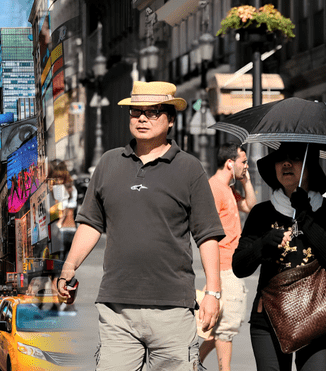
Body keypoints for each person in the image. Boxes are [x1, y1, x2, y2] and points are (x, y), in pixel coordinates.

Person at [56, 81, 225, 370]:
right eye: (136, 111)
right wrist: (68, 268)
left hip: (173, 308)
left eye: (153, 112)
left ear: (171, 119)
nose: (142, 118)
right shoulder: (108, 164)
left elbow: (207, 234)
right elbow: (90, 224)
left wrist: (213, 293)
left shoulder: (189, 168)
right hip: (116, 309)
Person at [232, 143, 326, 371]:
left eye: (295, 158)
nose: (286, 163)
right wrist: (262, 244)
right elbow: (239, 266)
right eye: (280, 159)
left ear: (309, 166)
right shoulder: (261, 213)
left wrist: (304, 214)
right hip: (268, 319)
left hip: (318, 314)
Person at [199, 142, 257, 371]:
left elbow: (251, 205)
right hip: (223, 267)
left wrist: (246, 180)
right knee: (226, 329)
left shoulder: (228, 190)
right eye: (243, 162)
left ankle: (191, 365)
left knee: (218, 329)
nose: (247, 166)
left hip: (230, 266)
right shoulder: (214, 188)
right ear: (229, 163)